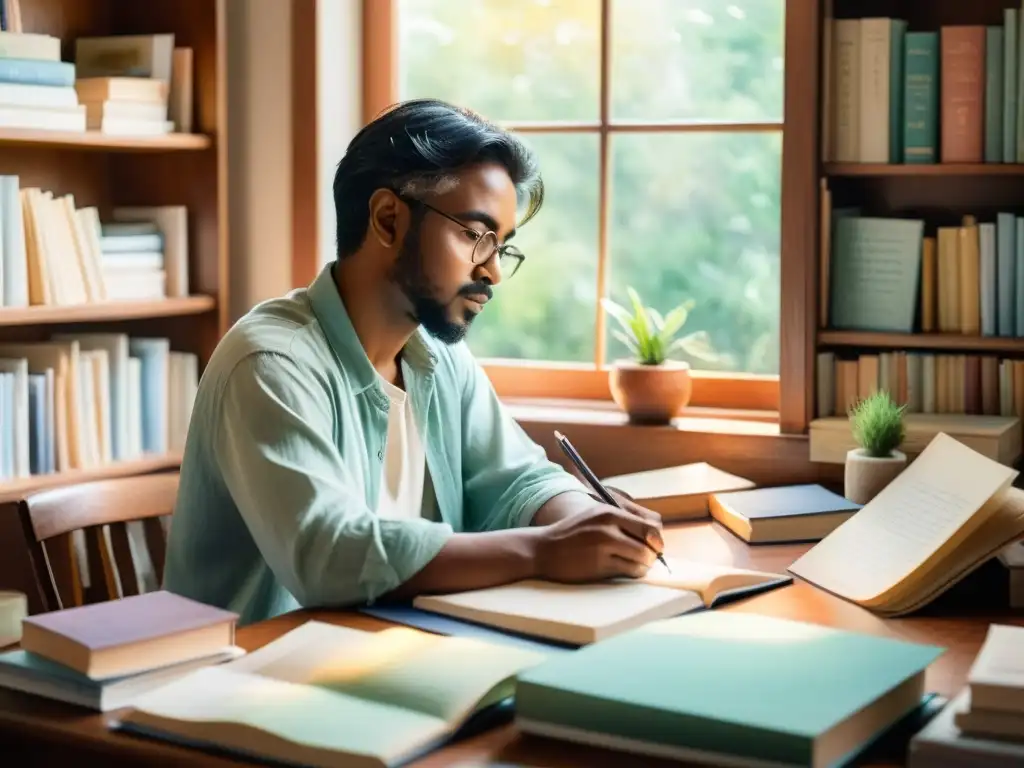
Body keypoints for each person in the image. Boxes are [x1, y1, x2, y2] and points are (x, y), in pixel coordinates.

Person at [162, 98, 664, 625]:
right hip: (250, 677)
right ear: (387, 219)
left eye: (502, 247)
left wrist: (590, 523)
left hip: (382, 655)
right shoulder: (270, 363)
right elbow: (328, 553)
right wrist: (544, 550)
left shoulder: (439, 358)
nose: (492, 271)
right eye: (475, 236)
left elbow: (518, 480)